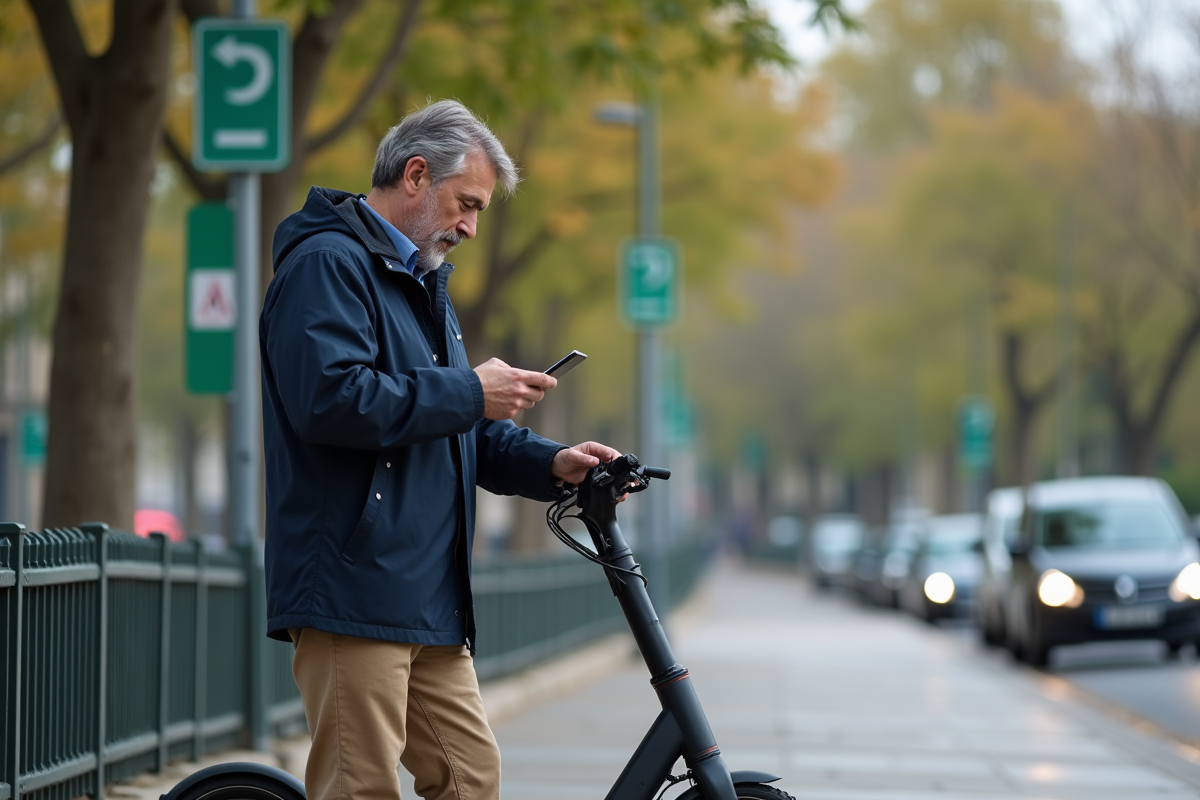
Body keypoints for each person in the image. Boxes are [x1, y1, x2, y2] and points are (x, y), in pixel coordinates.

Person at [259, 99, 622, 800]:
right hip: (352, 587)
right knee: (359, 789)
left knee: (470, 779)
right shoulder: (327, 266)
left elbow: (457, 426)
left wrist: (553, 464)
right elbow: (329, 400)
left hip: (429, 596)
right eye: (466, 204)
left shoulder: (422, 281)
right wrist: (465, 390)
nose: (471, 227)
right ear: (416, 174)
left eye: (480, 211)